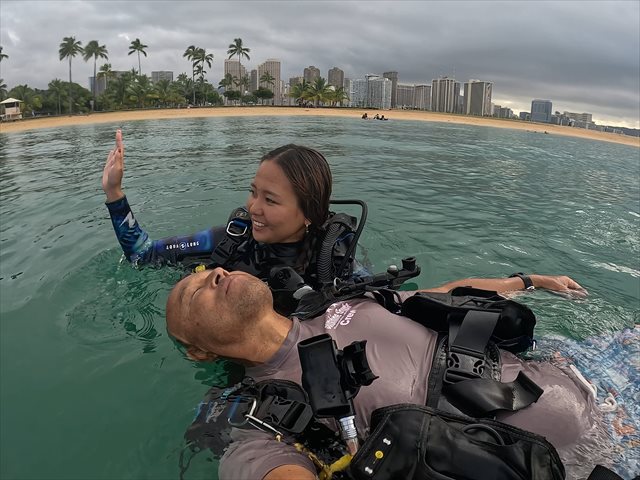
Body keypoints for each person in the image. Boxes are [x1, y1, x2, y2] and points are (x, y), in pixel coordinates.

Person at [165, 268, 634, 480]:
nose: (215, 274)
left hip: (589, 368)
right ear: (198, 352)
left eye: (212, 270)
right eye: (193, 292)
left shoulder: (342, 303)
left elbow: (448, 292)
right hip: (590, 464)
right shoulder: (262, 421)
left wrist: (531, 281)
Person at [103, 129, 583, 312]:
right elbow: (143, 256)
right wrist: (115, 194)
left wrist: (529, 281)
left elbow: (428, 297)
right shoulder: (229, 241)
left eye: (270, 199)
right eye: (253, 192)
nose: (253, 208)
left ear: (310, 215)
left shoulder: (334, 265)